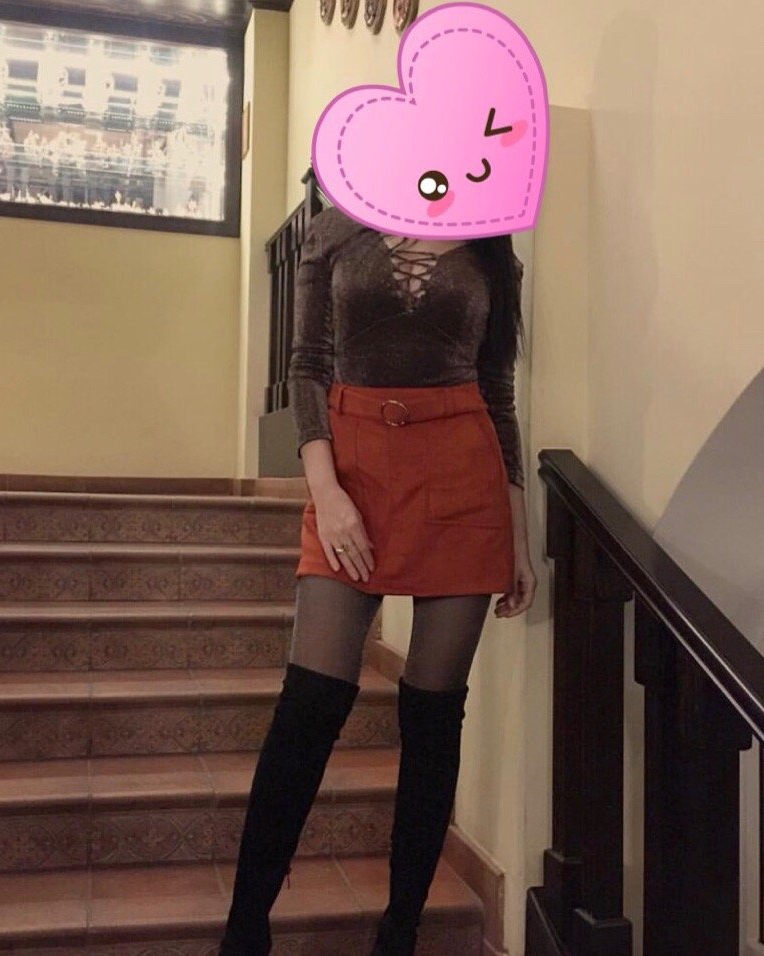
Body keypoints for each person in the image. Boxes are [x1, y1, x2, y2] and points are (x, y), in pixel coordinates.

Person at [219, 202, 537, 955]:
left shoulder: (494, 242)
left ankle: (400, 935)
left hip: (461, 477)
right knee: (309, 707)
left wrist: (518, 539)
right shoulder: (338, 225)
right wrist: (327, 495)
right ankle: (244, 931)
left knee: (433, 719)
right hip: (353, 466)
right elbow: (307, 367)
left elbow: (497, 396)